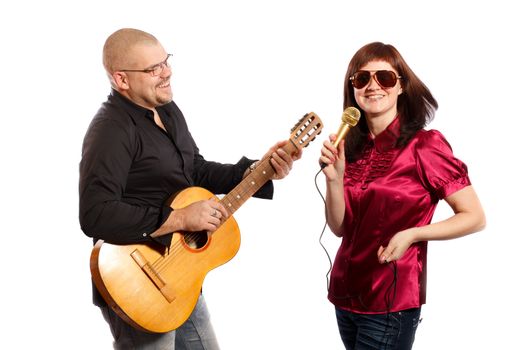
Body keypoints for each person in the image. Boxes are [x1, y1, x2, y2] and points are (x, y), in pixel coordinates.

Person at [79, 28, 301, 350]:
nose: (166, 72)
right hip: (138, 283)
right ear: (122, 80)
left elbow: (193, 169)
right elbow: (95, 214)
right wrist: (180, 219)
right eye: (153, 69)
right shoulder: (110, 129)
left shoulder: (166, 110)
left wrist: (258, 171)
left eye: (165, 61)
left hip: (180, 275)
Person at [318, 42, 486, 350]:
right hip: (345, 295)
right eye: (362, 78)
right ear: (352, 88)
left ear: (401, 86)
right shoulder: (351, 150)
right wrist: (335, 178)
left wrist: (413, 234)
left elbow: (474, 217)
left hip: (389, 301)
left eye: (385, 77)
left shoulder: (425, 146)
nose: (373, 86)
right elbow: (341, 228)